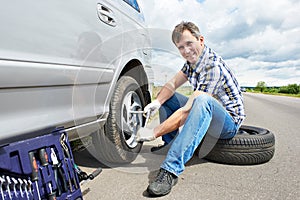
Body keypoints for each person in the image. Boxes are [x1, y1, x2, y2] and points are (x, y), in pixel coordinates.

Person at [136, 21, 245, 196]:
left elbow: (187, 111)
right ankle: (169, 143)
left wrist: (153, 132)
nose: (186, 51)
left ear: (200, 40)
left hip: (227, 122)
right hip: (206, 112)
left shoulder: (212, 66)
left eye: (189, 44)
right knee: (169, 96)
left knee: (201, 101)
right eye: (180, 47)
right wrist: (157, 102)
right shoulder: (191, 63)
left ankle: (171, 170)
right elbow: (172, 84)